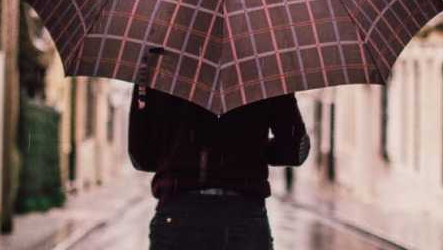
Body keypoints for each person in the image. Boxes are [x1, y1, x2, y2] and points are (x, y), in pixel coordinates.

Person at [128, 50, 311, 250]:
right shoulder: (265, 62)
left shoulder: (156, 63)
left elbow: (141, 155)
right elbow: (295, 149)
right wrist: (250, 150)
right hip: (243, 216)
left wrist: (182, 151)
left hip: (178, 215)